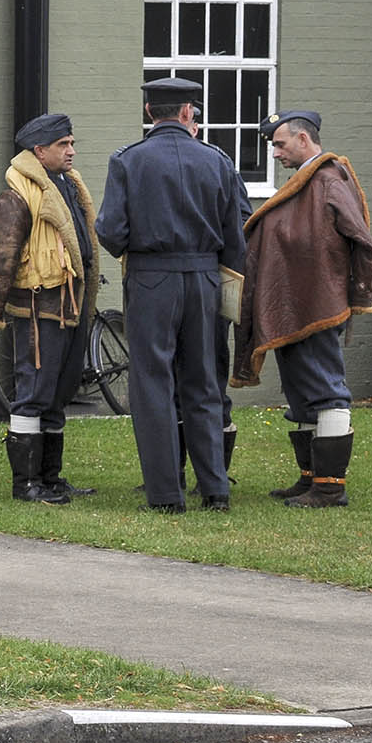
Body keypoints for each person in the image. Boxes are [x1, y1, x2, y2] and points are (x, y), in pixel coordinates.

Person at [95, 77, 249, 513]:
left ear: (150, 113)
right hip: (203, 277)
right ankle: (215, 490)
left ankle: (165, 494)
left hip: (150, 279)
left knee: (152, 384)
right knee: (203, 382)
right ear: (187, 113)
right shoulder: (218, 160)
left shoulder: (127, 160)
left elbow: (110, 231)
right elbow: (234, 235)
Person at [231, 109, 372, 509]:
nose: (275, 154)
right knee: (303, 393)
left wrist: (354, 294)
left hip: (318, 306)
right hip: (297, 306)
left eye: (279, 144)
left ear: (302, 140)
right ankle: (311, 478)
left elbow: (361, 241)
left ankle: (330, 488)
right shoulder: (308, 181)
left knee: (326, 391)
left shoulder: (328, 179)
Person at [0, 112, 102, 504]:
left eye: (72, 143)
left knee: (59, 393)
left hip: (69, 306)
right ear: (39, 150)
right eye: (64, 145)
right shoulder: (16, 196)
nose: (72, 151)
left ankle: (50, 478)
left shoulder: (66, 187)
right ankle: (25, 484)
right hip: (37, 309)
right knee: (33, 394)